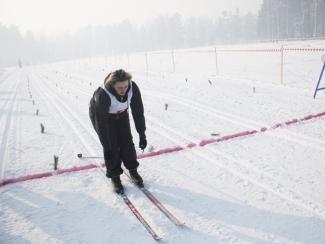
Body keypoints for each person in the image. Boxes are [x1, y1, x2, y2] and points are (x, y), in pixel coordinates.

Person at [89, 69, 147, 194]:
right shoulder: (103, 95)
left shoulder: (132, 87)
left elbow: (138, 111)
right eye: (119, 87)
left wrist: (142, 133)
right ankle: (115, 177)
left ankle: (133, 170)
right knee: (112, 145)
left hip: (121, 114)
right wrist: (107, 147)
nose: (123, 89)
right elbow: (102, 125)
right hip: (103, 116)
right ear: (112, 85)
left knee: (127, 142)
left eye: (125, 86)